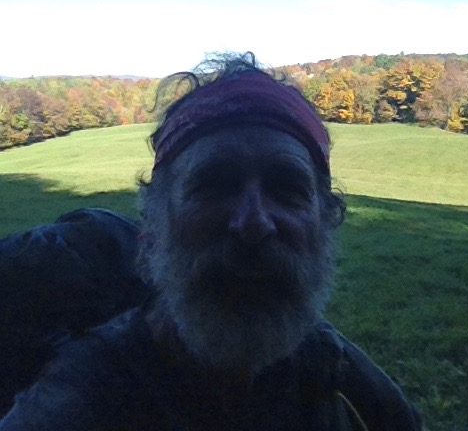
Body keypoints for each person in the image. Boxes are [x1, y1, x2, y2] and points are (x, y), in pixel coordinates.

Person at [0, 52, 422, 430]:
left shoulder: (360, 401)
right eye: (215, 185)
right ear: (153, 229)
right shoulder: (76, 407)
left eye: (287, 189)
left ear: (325, 223)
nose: (253, 223)